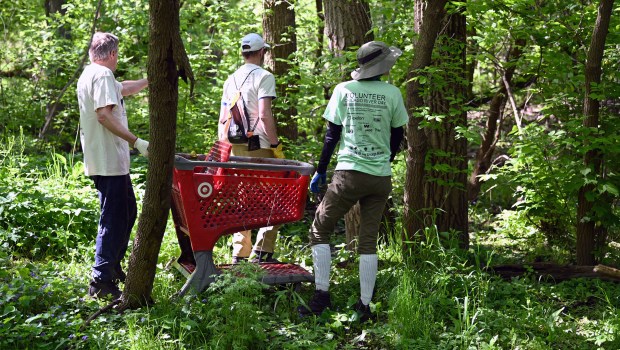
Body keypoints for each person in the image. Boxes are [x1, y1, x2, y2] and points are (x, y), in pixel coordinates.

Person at [298, 41, 408, 321]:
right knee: (368, 241)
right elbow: (397, 136)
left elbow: (331, 136)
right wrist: (386, 161)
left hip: (348, 174)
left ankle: (321, 296)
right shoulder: (392, 93)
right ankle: (365, 305)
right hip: (380, 177)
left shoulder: (343, 90)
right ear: (383, 65)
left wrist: (320, 170)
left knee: (320, 230)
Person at [77, 32, 149, 300]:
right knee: (114, 218)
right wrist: (137, 141)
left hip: (104, 160)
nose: (118, 58)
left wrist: (151, 80)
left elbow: (124, 88)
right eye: (118, 54)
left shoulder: (91, 74)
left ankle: (112, 266)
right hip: (108, 160)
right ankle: (101, 279)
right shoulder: (103, 76)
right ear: (112, 54)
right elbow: (104, 115)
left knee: (127, 211)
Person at [218, 33, 284, 264]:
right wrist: (275, 145)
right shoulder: (264, 77)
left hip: (236, 147)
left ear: (243, 53)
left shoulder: (230, 79)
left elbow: (223, 119)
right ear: (261, 52)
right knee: (275, 196)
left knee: (243, 198)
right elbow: (265, 115)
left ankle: (240, 253)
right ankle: (263, 251)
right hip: (261, 146)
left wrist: (225, 149)